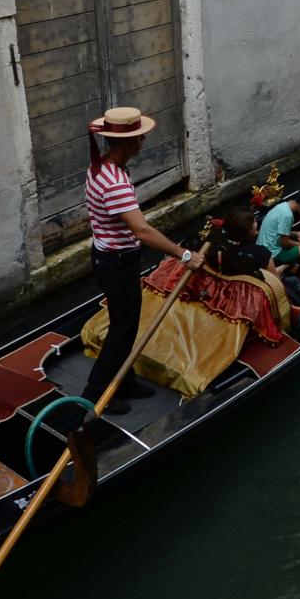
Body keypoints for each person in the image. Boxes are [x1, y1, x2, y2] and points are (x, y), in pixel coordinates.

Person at [85, 106, 198, 407]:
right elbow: (142, 231)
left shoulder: (102, 167)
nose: (143, 140)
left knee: (127, 324)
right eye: (138, 137)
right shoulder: (115, 182)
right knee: (122, 329)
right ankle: (96, 394)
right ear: (124, 143)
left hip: (108, 256)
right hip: (116, 262)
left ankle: (125, 380)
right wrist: (184, 255)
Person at [257, 187, 300, 276]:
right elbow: (284, 242)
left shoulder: (283, 206)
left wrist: (294, 234)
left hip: (267, 246)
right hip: (274, 254)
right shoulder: (287, 215)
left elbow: (278, 232)